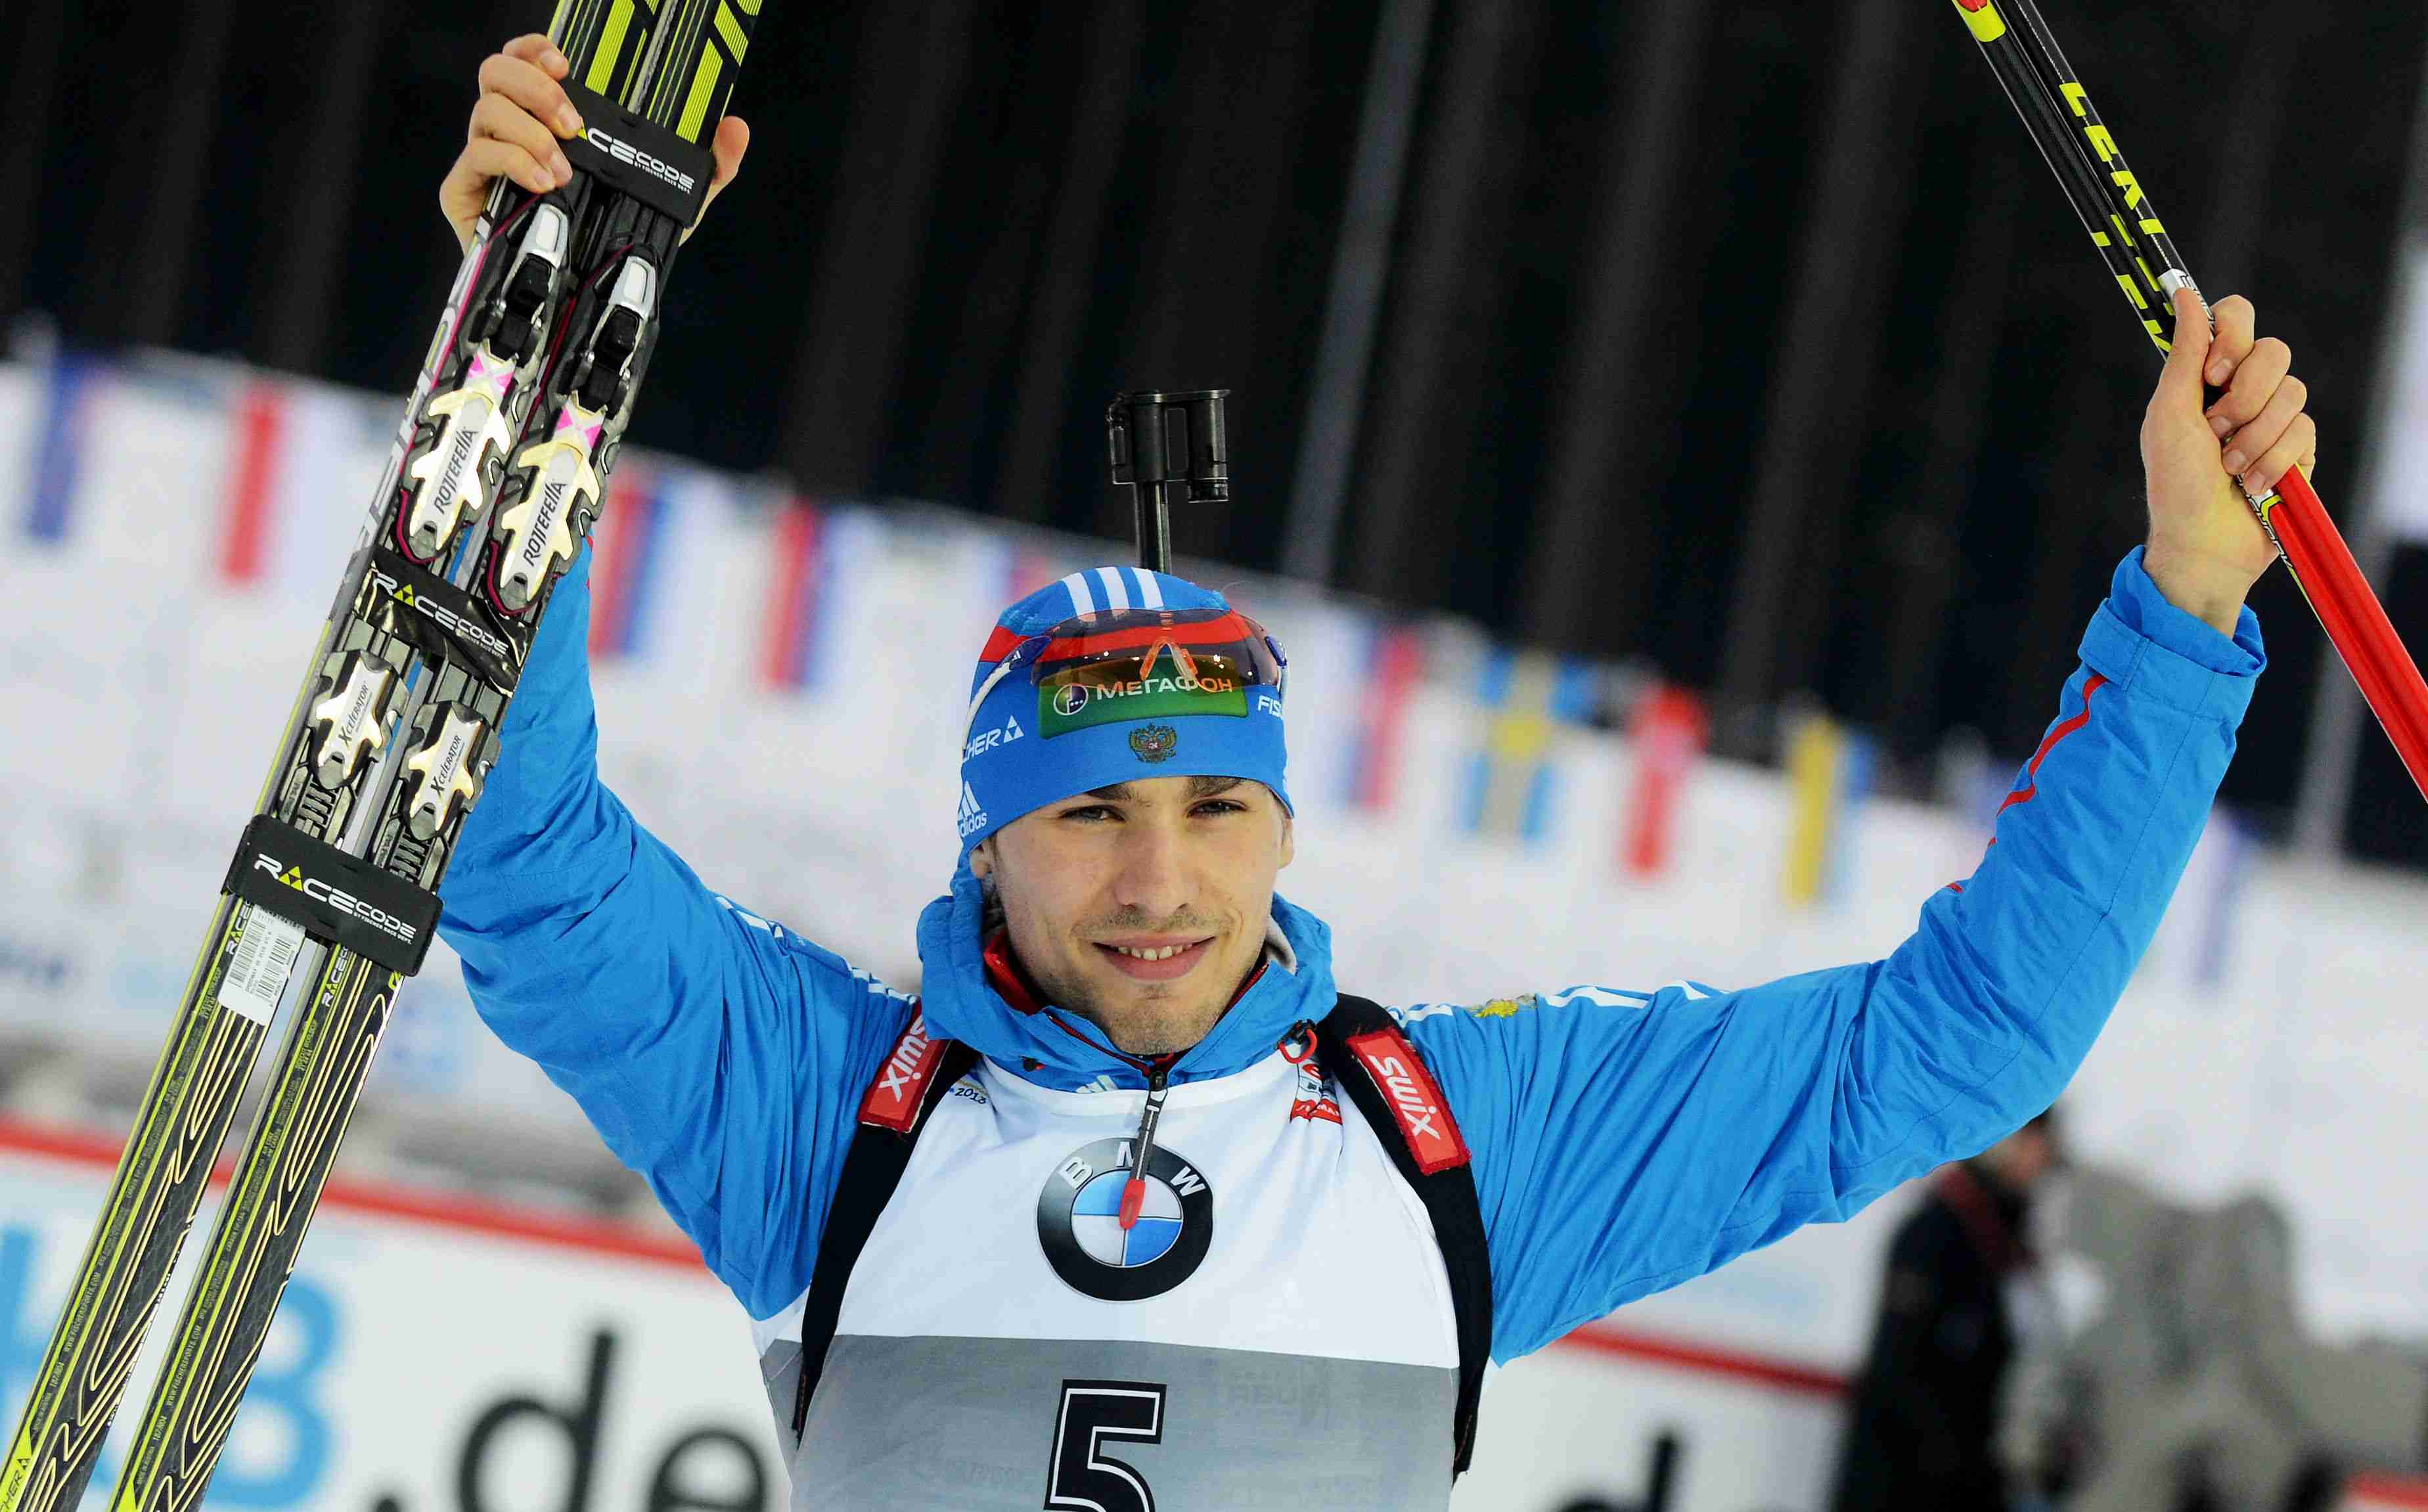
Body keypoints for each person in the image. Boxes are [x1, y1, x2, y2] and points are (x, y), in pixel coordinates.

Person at [435, 33, 2315, 1512]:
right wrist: (535, 340)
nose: (1161, 880)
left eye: (1215, 808)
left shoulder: (1451, 1144)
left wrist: (2187, 601)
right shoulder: (826, 1112)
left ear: (1283, 828)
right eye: (1088, 813)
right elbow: (524, 859)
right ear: (987, 845)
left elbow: (1961, 1040)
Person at [1830, 1113, 2061, 1512]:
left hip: (1968, 1479)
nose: (2041, 1160)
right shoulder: (1934, 1234)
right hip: (1903, 1484)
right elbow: (1900, 1375)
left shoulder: (2015, 1244)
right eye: (2033, 1142)